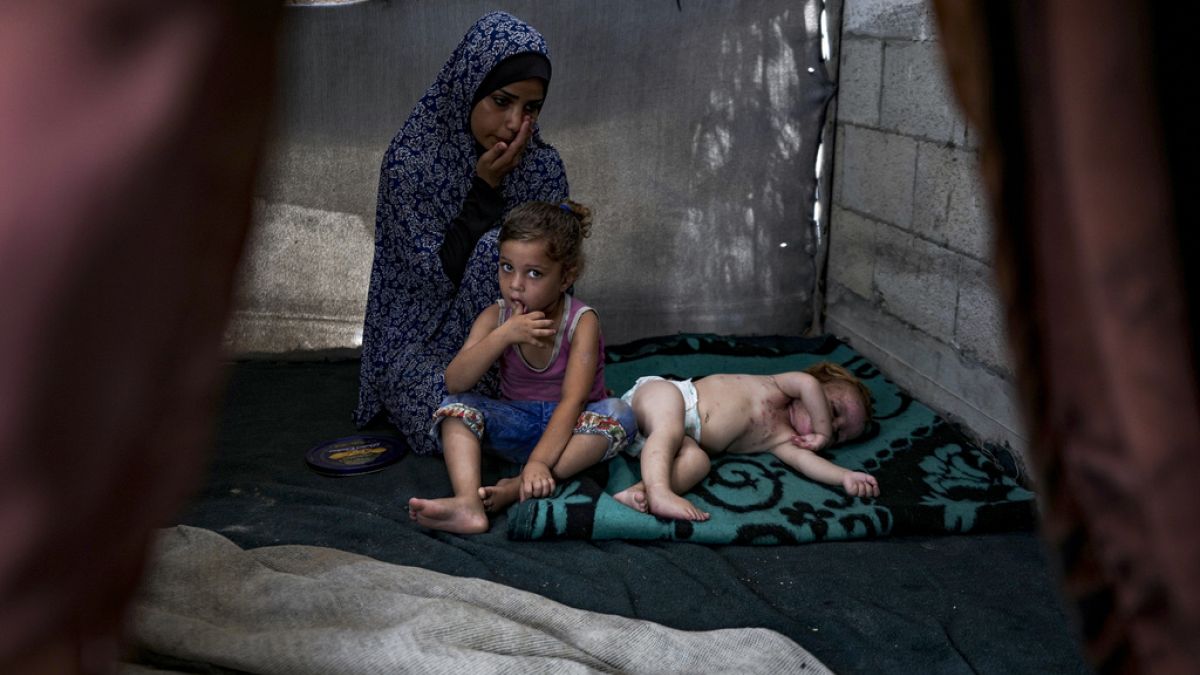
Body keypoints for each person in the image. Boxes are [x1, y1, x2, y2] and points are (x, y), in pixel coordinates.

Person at [356, 11, 569, 456]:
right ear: (466, 88)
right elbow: (426, 283)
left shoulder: (542, 168)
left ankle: (503, 413)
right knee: (432, 403)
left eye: (530, 109)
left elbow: (556, 276)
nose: (514, 124)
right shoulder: (410, 165)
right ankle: (515, 422)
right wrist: (484, 191)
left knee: (518, 253)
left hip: (520, 351)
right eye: (501, 101)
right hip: (421, 346)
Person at [409, 201, 635, 534]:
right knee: (453, 408)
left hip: (573, 430)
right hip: (517, 423)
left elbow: (573, 401)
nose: (515, 284)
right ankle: (468, 503)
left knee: (620, 413)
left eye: (534, 273)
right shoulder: (495, 317)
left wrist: (539, 464)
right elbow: (456, 381)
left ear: (566, 277)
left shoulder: (581, 321)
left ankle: (518, 487)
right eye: (506, 267)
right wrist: (503, 336)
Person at [613, 362, 878, 521]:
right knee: (668, 425)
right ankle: (660, 492)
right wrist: (823, 432)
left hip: (669, 443)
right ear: (820, 388)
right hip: (665, 397)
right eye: (833, 411)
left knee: (698, 461)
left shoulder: (784, 439)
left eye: (839, 435)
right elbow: (807, 383)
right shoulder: (780, 385)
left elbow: (807, 463)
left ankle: (640, 493)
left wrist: (844, 476)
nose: (831, 428)